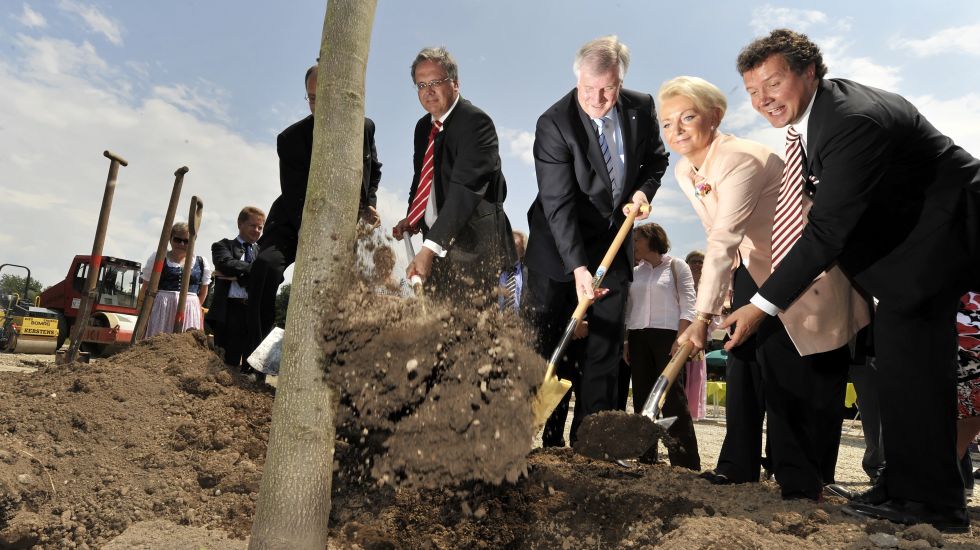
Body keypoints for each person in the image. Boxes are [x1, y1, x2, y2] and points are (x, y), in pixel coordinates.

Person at [725, 29, 980, 530]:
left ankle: (931, 501)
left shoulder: (849, 120)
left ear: (808, 72)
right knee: (904, 361)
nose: (762, 101)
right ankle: (913, 487)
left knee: (912, 360)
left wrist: (760, 305)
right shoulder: (822, 119)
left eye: (773, 84)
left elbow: (825, 234)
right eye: (753, 91)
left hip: (948, 235)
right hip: (915, 257)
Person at [659, 75, 868, 499]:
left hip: (798, 268)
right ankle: (737, 465)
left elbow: (723, 236)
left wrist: (700, 317)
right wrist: (722, 300)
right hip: (749, 267)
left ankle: (798, 477)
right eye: (666, 123)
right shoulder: (685, 169)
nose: (675, 130)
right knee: (743, 361)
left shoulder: (739, 157)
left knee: (787, 367)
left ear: (715, 117)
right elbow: (720, 236)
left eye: (687, 117)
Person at [523, 35, 668, 444]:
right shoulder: (555, 123)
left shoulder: (641, 108)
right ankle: (536, 440)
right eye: (589, 88)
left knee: (604, 345)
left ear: (620, 81)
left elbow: (657, 160)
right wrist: (578, 268)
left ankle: (592, 442)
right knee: (546, 341)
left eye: (608, 88)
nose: (598, 98)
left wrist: (643, 192)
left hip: (614, 241)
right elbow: (558, 203)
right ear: (577, 78)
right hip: (558, 248)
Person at [246, 63, 383, 358]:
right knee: (264, 268)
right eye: (311, 97)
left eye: (324, 96)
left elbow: (374, 169)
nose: (317, 104)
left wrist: (368, 203)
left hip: (343, 226)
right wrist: (313, 238)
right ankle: (259, 355)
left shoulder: (365, 128)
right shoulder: (290, 140)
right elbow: (295, 195)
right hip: (293, 222)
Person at [392, 47, 517, 300]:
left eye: (436, 82)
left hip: (476, 256)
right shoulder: (422, 128)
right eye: (421, 84)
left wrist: (427, 250)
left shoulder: (476, 123)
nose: (428, 91)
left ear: (455, 84)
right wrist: (412, 217)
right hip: (437, 252)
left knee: (474, 335)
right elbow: (422, 180)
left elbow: (464, 191)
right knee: (440, 334)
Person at [623, 223, 700, 470]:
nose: (633, 244)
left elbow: (689, 304)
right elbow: (629, 309)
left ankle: (685, 462)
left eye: (637, 239)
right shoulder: (636, 271)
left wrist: (681, 337)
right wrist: (627, 340)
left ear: (652, 240)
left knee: (672, 400)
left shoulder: (677, 266)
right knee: (642, 398)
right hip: (637, 337)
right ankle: (646, 458)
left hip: (668, 338)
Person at [207, 206, 264, 370]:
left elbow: (274, 276)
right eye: (253, 226)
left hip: (253, 313)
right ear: (240, 224)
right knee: (225, 364)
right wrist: (255, 273)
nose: (257, 230)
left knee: (250, 366)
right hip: (229, 312)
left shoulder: (263, 252)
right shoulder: (222, 246)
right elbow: (225, 264)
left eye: (260, 227)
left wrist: (239, 276)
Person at [139, 222, 213, 339]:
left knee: (185, 343)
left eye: (186, 241)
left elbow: (204, 291)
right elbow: (146, 286)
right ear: (170, 239)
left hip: (190, 309)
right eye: (178, 240)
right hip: (162, 307)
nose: (182, 244)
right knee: (159, 340)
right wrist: (144, 311)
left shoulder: (201, 262)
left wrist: (193, 307)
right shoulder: (158, 257)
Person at [683, 249, 708, 422]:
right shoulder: (681, 283)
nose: (697, 264)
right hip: (682, 334)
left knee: (694, 377)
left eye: (700, 261)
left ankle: (689, 412)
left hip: (699, 336)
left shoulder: (708, 288)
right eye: (693, 261)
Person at [498, 230, 527, 312]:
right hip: (494, 322)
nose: (509, 249)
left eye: (515, 246)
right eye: (507, 245)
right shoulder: (493, 271)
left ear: (522, 251)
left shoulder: (530, 275)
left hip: (520, 322)